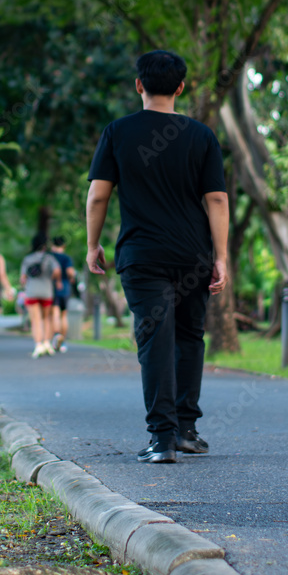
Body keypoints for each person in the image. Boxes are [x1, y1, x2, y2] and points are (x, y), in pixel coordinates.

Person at [86, 49, 229, 464]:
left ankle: (162, 439)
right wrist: (221, 257)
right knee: (188, 337)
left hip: (142, 255)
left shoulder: (118, 132)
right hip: (193, 253)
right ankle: (186, 430)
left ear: (138, 85)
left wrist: (92, 244)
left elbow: (98, 195)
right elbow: (217, 199)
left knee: (154, 339)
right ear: (181, 87)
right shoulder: (201, 135)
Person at [19, 234, 62, 358]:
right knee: (46, 318)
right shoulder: (49, 258)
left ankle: (38, 345)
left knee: (35, 320)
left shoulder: (28, 259)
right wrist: (54, 280)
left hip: (32, 292)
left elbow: (23, 278)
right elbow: (57, 271)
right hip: (46, 292)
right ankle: (47, 343)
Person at [50, 235, 76, 352]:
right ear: (63, 246)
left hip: (51, 287)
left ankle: (55, 336)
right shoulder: (66, 258)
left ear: (52, 245)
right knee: (63, 314)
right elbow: (70, 272)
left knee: (54, 312)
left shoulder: (49, 257)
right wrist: (71, 277)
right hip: (65, 287)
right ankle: (62, 341)